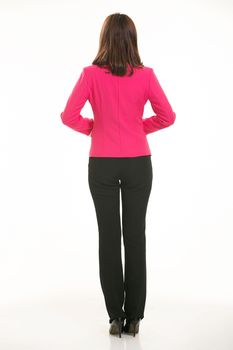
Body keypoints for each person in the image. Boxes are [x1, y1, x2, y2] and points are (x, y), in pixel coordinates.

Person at [60, 12, 176, 338]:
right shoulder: (146, 76)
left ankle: (115, 316)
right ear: (132, 40)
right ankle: (135, 317)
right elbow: (167, 116)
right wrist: (139, 127)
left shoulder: (90, 75)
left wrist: (95, 129)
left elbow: (69, 116)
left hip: (102, 163)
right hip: (139, 161)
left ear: (104, 39)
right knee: (135, 237)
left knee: (108, 239)